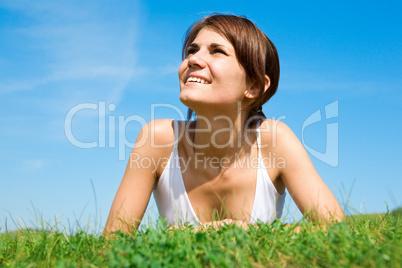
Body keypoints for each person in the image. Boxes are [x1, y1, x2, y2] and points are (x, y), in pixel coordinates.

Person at [103, 14, 344, 235]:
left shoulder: (275, 140)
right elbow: (112, 243)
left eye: (217, 51)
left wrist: (241, 230)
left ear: (254, 86)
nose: (193, 60)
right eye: (191, 51)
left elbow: (336, 229)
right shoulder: (158, 139)